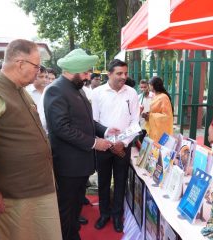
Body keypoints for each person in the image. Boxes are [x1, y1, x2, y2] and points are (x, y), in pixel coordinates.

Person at [0, 39, 61, 240]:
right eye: (36, 66)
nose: (39, 71)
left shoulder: (21, 90)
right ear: (20, 63)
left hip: (37, 186)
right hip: (13, 195)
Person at [44, 49, 114, 240]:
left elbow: (85, 122)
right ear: (73, 70)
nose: (87, 76)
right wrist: (94, 143)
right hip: (68, 165)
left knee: (75, 208)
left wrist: (105, 131)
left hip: (80, 164)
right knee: (67, 209)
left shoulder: (77, 89)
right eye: (84, 72)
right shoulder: (56, 90)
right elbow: (61, 128)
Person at [91, 59, 140, 233]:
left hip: (123, 147)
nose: (123, 77)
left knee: (120, 182)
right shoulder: (97, 93)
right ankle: (104, 214)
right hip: (103, 146)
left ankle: (117, 216)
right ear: (109, 74)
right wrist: (108, 141)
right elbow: (93, 121)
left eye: (125, 73)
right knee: (103, 182)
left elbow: (135, 121)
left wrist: (123, 143)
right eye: (119, 73)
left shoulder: (132, 93)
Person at [143, 77, 173, 143]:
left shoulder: (164, 97)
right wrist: (147, 115)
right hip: (154, 128)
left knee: (158, 149)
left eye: (150, 85)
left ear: (154, 86)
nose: (149, 87)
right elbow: (156, 111)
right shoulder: (155, 96)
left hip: (160, 130)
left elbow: (167, 116)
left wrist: (150, 116)